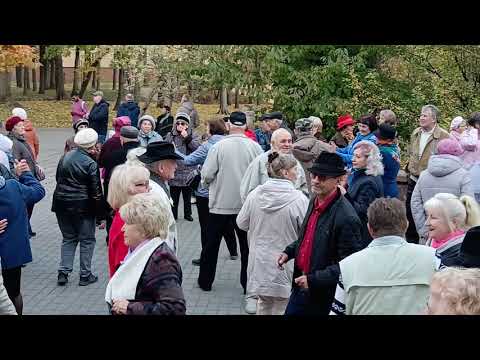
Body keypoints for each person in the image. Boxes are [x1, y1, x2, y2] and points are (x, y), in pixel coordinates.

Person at [277, 152, 363, 315]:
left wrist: (314, 280)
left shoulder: (347, 218)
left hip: (323, 296)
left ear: (339, 179)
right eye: (314, 175)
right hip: (301, 286)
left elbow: (349, 266)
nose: (315, 180)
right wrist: (289, 251)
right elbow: (309, 238)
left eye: (322, 177)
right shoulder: (314, 200)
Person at [330, 198, 441, 315]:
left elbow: (337, 312)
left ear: (369, 229)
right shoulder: (433, 258)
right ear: (406, 225)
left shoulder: (348, 266)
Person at [198, 111, 263, 295]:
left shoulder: (218, 147)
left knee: (211, 246)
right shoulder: (255, 148)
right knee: (247, 248)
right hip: (246, 206)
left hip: (220, 204)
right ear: (245, 125)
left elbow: (207, 174)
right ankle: (247, 283)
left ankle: (205, 282)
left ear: (228, 125)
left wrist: (207, 184)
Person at [237, 152, 309, 315]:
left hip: (259, 260)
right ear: (285, 172)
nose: (298, 173)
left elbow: (241, 223)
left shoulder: (255, 194)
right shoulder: (299, 199)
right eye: (295, 169)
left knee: (263, 304)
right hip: (285, 262)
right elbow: (306, 232)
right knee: (282, 306)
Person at [105, 192, 186, 315]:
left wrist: (129, 307)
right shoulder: (139, 250)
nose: (123, 228)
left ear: (144, 228)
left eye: (128, 223)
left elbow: (175, 308)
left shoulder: (161, 260)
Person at [52, 128, 106, 286]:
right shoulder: (90, 163)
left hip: (61, 204)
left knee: (68, 238)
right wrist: (101, 216)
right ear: (92, 145)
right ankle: (85, 274)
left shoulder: (65, 156)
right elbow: (96, 192)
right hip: (83, 207)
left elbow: (57, 178)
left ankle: (63, 271)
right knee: (87, 240)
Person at [182, 118, 238, 265]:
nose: (206, 129)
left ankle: (205, 257)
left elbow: (188, 160)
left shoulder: (208, 146)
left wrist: (173, 151)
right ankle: (233, 251)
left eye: (207, 127)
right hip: (226, 191)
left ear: (211, 129)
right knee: (227, 223)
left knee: (206, 228)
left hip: (206, 193)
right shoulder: (230, 144)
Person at [0, 159, 45, 314]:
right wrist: (25, 174)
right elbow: (38, 191)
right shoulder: (13, 187)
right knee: (13, 294)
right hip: (13, 254)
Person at [411, 138, 473, 244]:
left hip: (429, 233)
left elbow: (415, 203)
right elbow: (468, 206)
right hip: (455, 236)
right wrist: (461, 230)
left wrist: (423, 229)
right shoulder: (464, 175)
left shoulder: (424, 174)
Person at [405, 105, 450, 243]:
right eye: (421, 115)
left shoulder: (444, 136)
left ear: (434, 119)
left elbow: (447, 160)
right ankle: (412, 242)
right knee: (410, 211)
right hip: (413, 178)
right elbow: (412, 153)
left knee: (430, 213)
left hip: (431, 180)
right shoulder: (416, 133)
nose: (421, 118)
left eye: (425, 115)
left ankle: (432, 243)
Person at [241, 128, 308, 203]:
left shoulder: (295, 162)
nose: (287, 144)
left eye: (289, 141)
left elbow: (304, 188)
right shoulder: (260, 162)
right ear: (273, 143)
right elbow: (247, 191)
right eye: (283, 141)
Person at [138, 141, 182, 255]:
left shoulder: (154, 185)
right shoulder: (153, 191)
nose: (176, 166)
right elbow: (159, 233)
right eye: (173, 162)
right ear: (161, 167)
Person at [107, 164, 151, 277]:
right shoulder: (127, 223)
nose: (149, 188)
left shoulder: (128, 217)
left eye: (148, 183)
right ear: (125, 189)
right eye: (142, 184)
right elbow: (125, 271)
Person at [339, 141, 384, 246]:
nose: (353, 159)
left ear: (369, 159)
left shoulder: (369, 182)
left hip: (362, 234)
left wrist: (344, 194)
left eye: (358, 157)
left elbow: (362, 211)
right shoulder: (361, 175)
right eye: (354, 155)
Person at [6, 115, 43, 237]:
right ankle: (24, 230)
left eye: (23, 125)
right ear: (12, 129)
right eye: (19, 126)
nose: (23, 127)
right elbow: (15, 162)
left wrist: (36, 166)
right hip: (23, 181)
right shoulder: (14, 143)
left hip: (29, 177)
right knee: (25, 206)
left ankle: (27, 228)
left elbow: (29, 158)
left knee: (28, 206)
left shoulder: (22, 140)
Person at [423, 193, 480, 264]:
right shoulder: (431, 242)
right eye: (427, 216)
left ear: (454, 222)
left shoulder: (463, 254)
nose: (426, 223)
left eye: (433, 218)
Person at [164, 112, 200, 221]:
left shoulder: (193, 135)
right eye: (178, 123)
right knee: (174, 197)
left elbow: (198, 149)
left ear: (187, 125)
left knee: (187, 196)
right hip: (174, 170)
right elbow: (165, 148)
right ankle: (173, 215)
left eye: (183, 123)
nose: (180, 125)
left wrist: (187, 138)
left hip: (188, 171)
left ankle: (187, 214)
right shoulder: (171, 135)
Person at [292, 118, 333, 194]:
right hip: (321, 193)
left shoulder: (288, 151)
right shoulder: (326, 148)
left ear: (295, 131)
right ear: (312, 130)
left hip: (297, 194)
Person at [375, 123, 400, 198]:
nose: (376, 138)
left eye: (379, 138)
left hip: (384, 189)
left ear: (388, 140)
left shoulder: (383, 152)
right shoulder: (395, 148)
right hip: (392, 186)